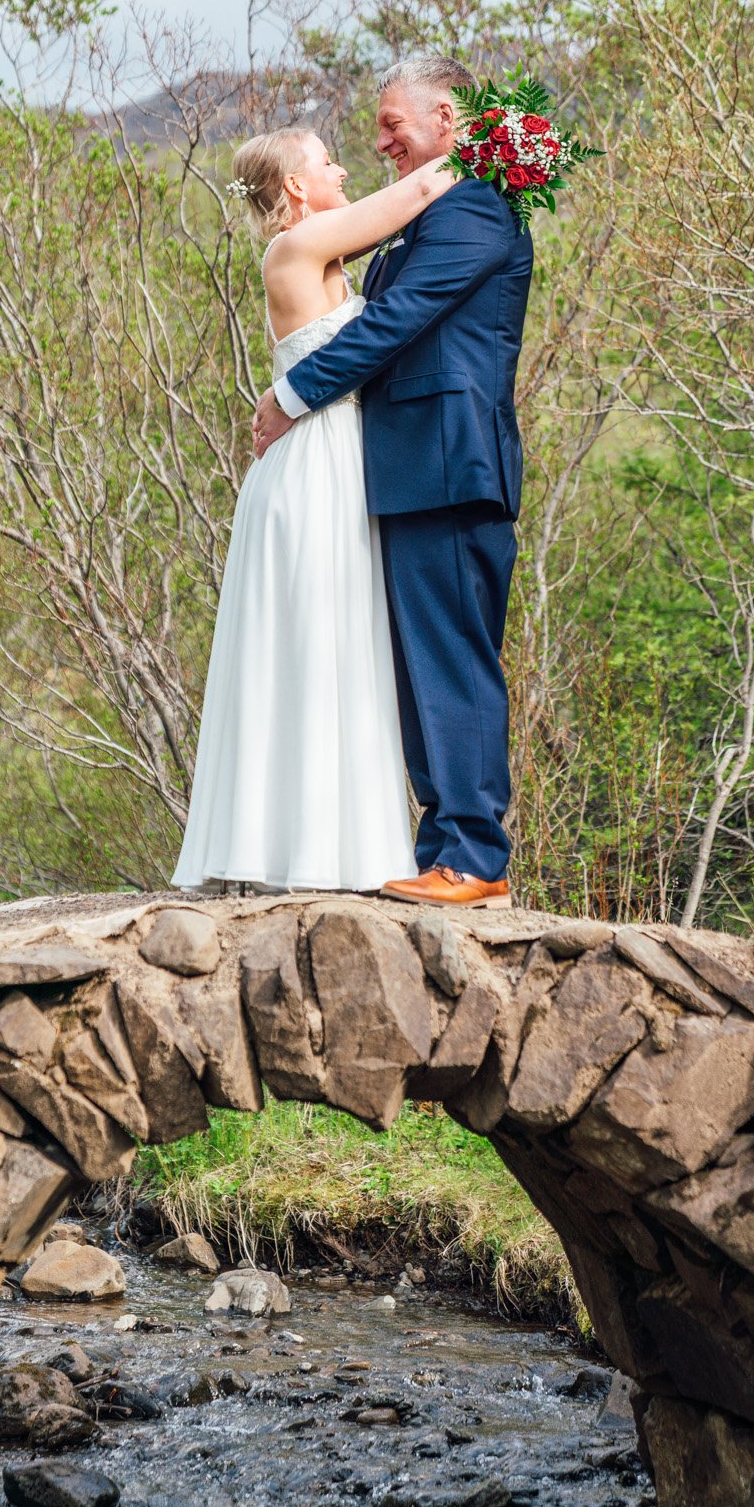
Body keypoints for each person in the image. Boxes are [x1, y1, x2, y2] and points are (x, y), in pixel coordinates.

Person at [253, 54, 534, 908]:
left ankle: (477, 858)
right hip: (406, 471)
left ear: (447, 120)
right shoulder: (432, 210)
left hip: (451, 465)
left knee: (453, 660)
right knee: (419, 671)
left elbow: (401, 321)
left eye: (390, 126)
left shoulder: (479, 204)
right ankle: (443, 846)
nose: (378, 143)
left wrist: (293, 395)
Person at [172, 128, 457, 895]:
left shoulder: (324, 255)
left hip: (338, 460)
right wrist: (503, 141)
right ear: (297, 187)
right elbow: (423, 192)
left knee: (343, 647)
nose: (343, 168)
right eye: (328, 160)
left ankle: (338, 852)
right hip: (311, 473)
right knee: (312, 643)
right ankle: (299, 853)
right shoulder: (294, 251)